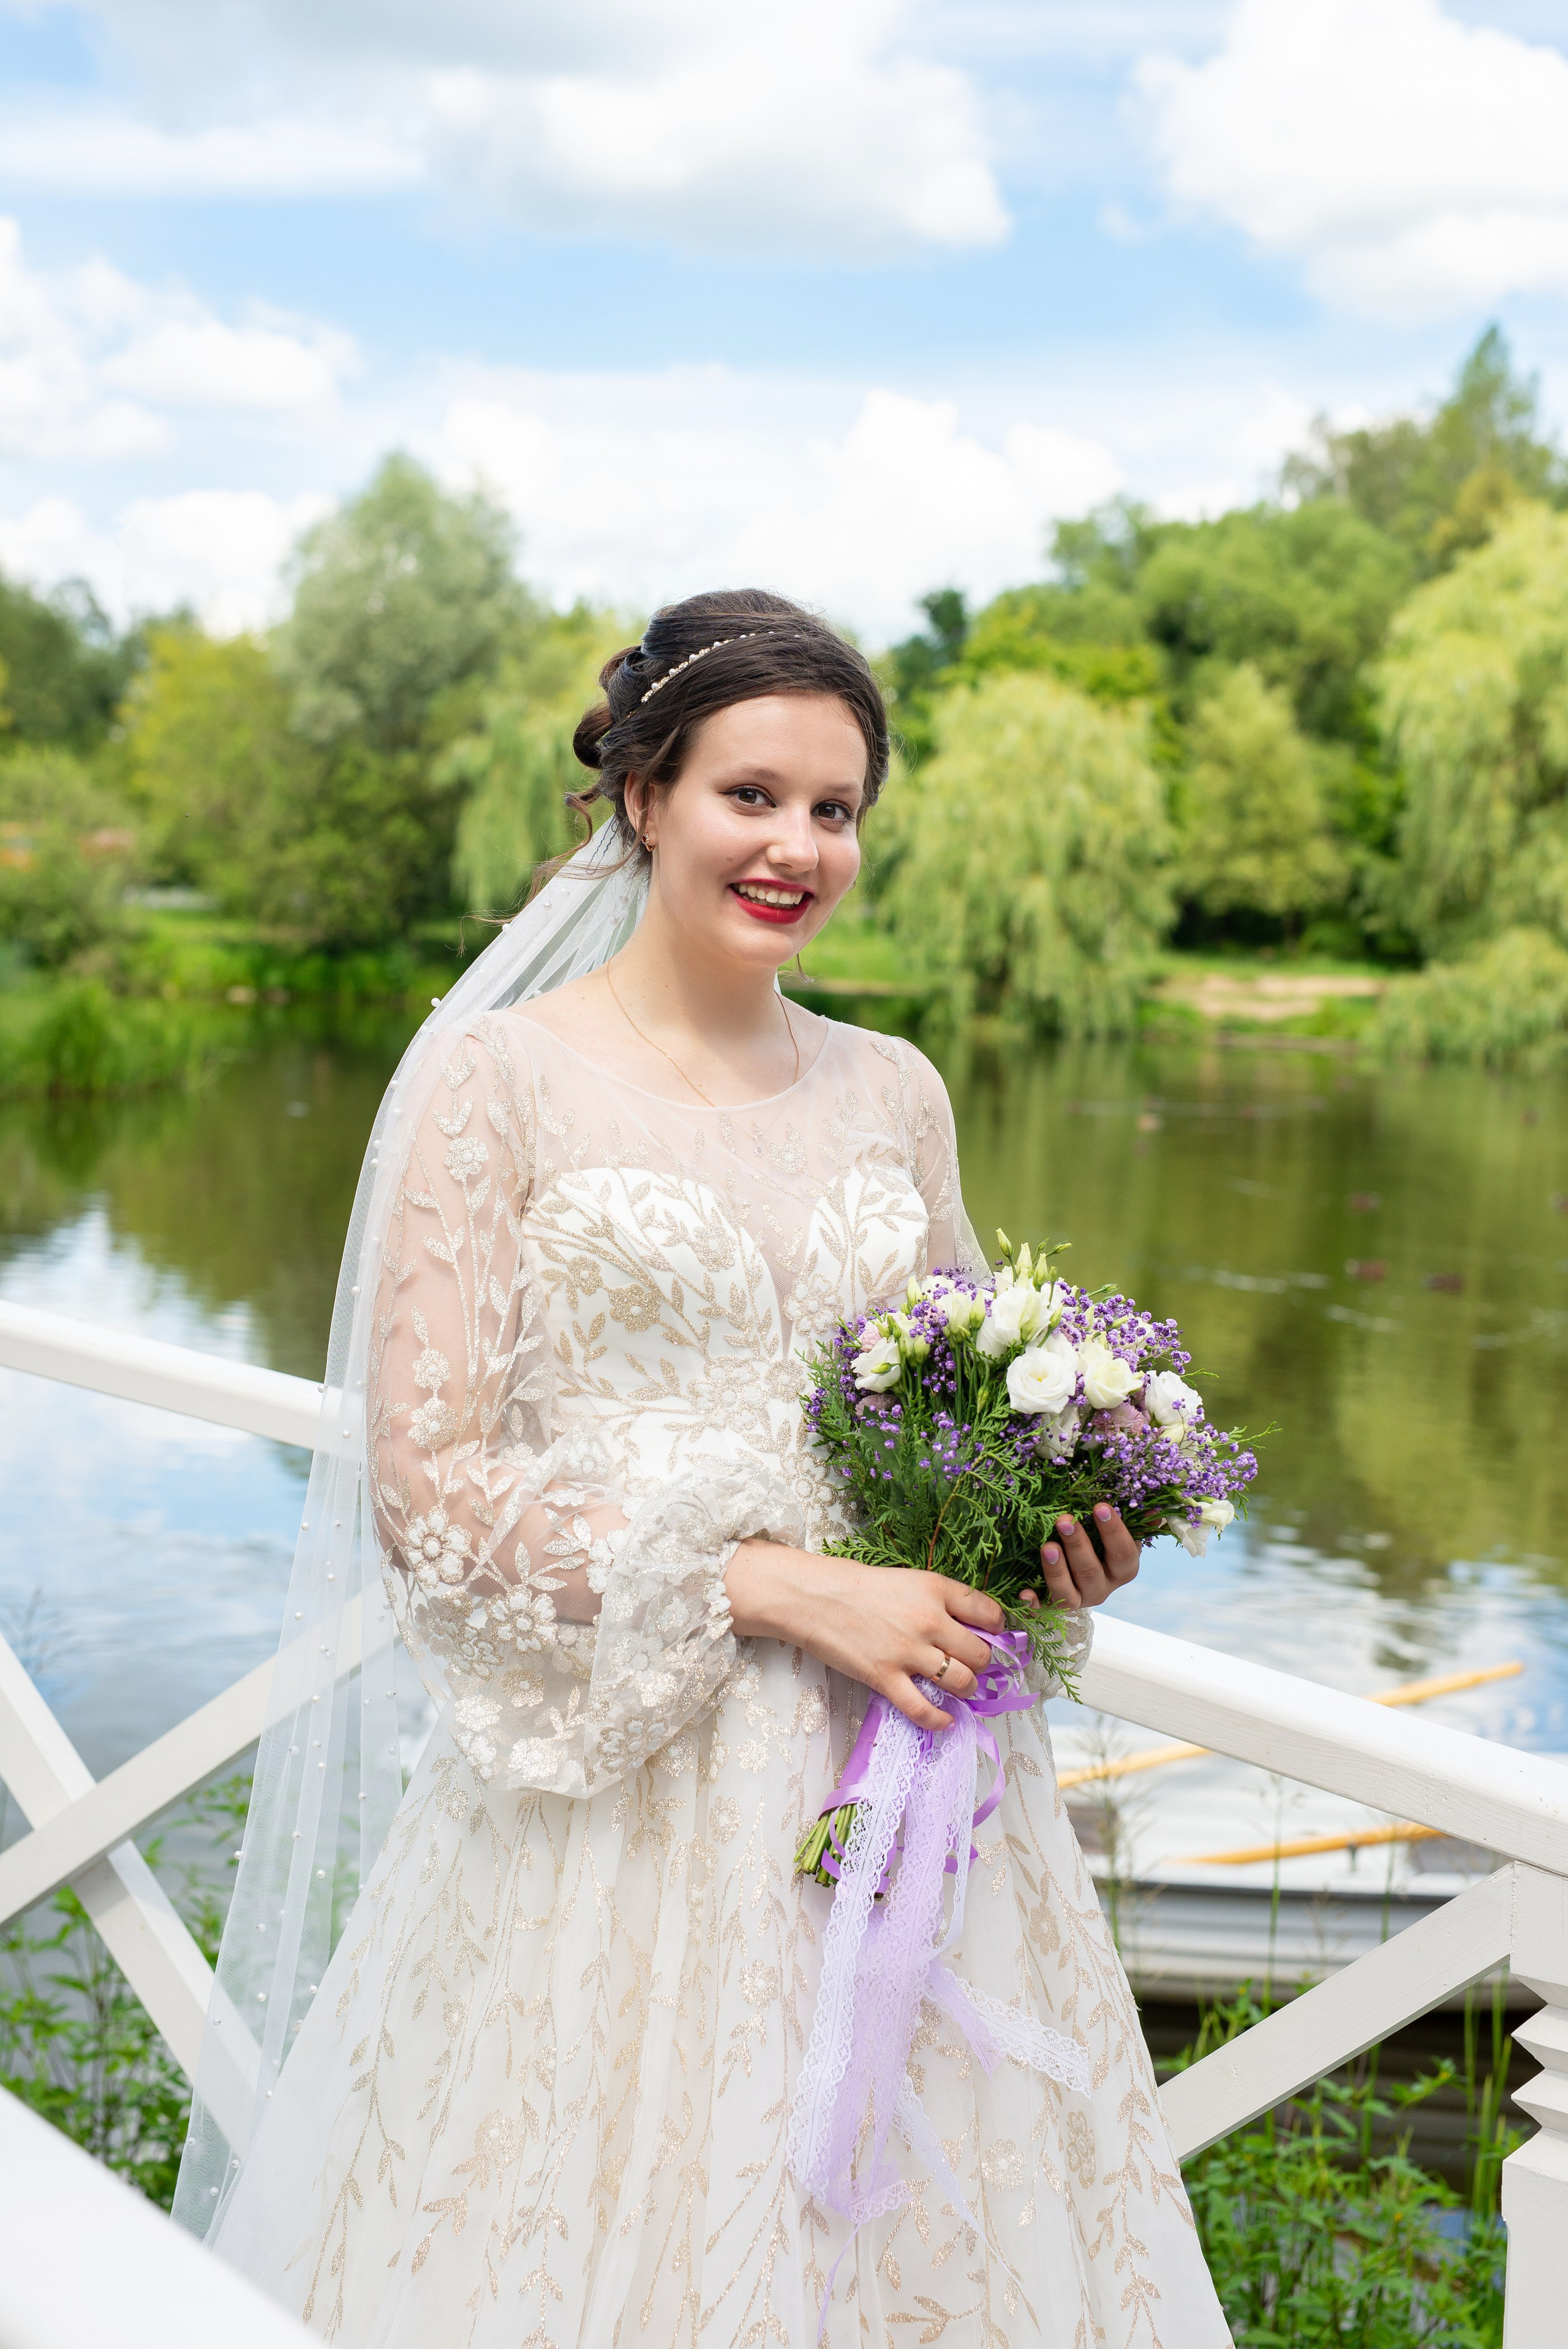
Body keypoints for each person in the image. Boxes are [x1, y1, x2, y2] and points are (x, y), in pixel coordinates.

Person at [179, 590, 1231, 2346]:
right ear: (645, 795)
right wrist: (777, 1579)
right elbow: (428, 1487)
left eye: (837, 810)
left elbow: (951, 1412)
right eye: (753, 794)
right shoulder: (492, 1082)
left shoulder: (894, 1087)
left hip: (898, 1781)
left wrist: (1053, 1530)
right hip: (617, 1796)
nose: (797, 846)